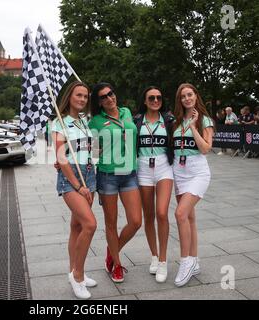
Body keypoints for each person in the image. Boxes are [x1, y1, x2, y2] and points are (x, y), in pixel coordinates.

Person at [88, 83, 142, 283]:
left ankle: (112, 251)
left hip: (128, 172)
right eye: (103, 97)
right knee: (111, 223)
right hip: (108, 175)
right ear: (99, 103)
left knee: (136, 221)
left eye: (111, 94)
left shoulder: (127, 112)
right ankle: (117, 266)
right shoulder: (95, 122)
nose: (109, 98)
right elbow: (93, 152)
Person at [52, 81, 97, 299]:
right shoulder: (59, 122)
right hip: (71, 179)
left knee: (77, 227)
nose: (82, 99)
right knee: (90, 224)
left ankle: (75, 270)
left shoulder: (85, 121)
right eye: (78, 95)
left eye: (85, 97)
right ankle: (77, 276)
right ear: (70, 96)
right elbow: (61, 158)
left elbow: (88, 149)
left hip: (89, 174)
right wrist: (78, 186)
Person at [172, 83, 214, 287]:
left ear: (196, 96)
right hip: (179, 171)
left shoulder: (204, 119)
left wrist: (194, 127)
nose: (187, 98)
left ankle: (185, 261)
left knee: (180, 214)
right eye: (183, 96)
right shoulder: (177, 120)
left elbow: (206, 148)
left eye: (190, 94)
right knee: (189, 218)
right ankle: (195, 260)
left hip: (197, 171)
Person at [133, 86, 174, 282]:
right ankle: (154, 256)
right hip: (143, 168)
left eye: (158, 97)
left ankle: (164, 261)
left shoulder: (169, 120)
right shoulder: (136, 120)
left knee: (162, 213)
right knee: (148, 215)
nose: (156, 100)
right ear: (145, 100)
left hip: (163, 167)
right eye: (151, 98)